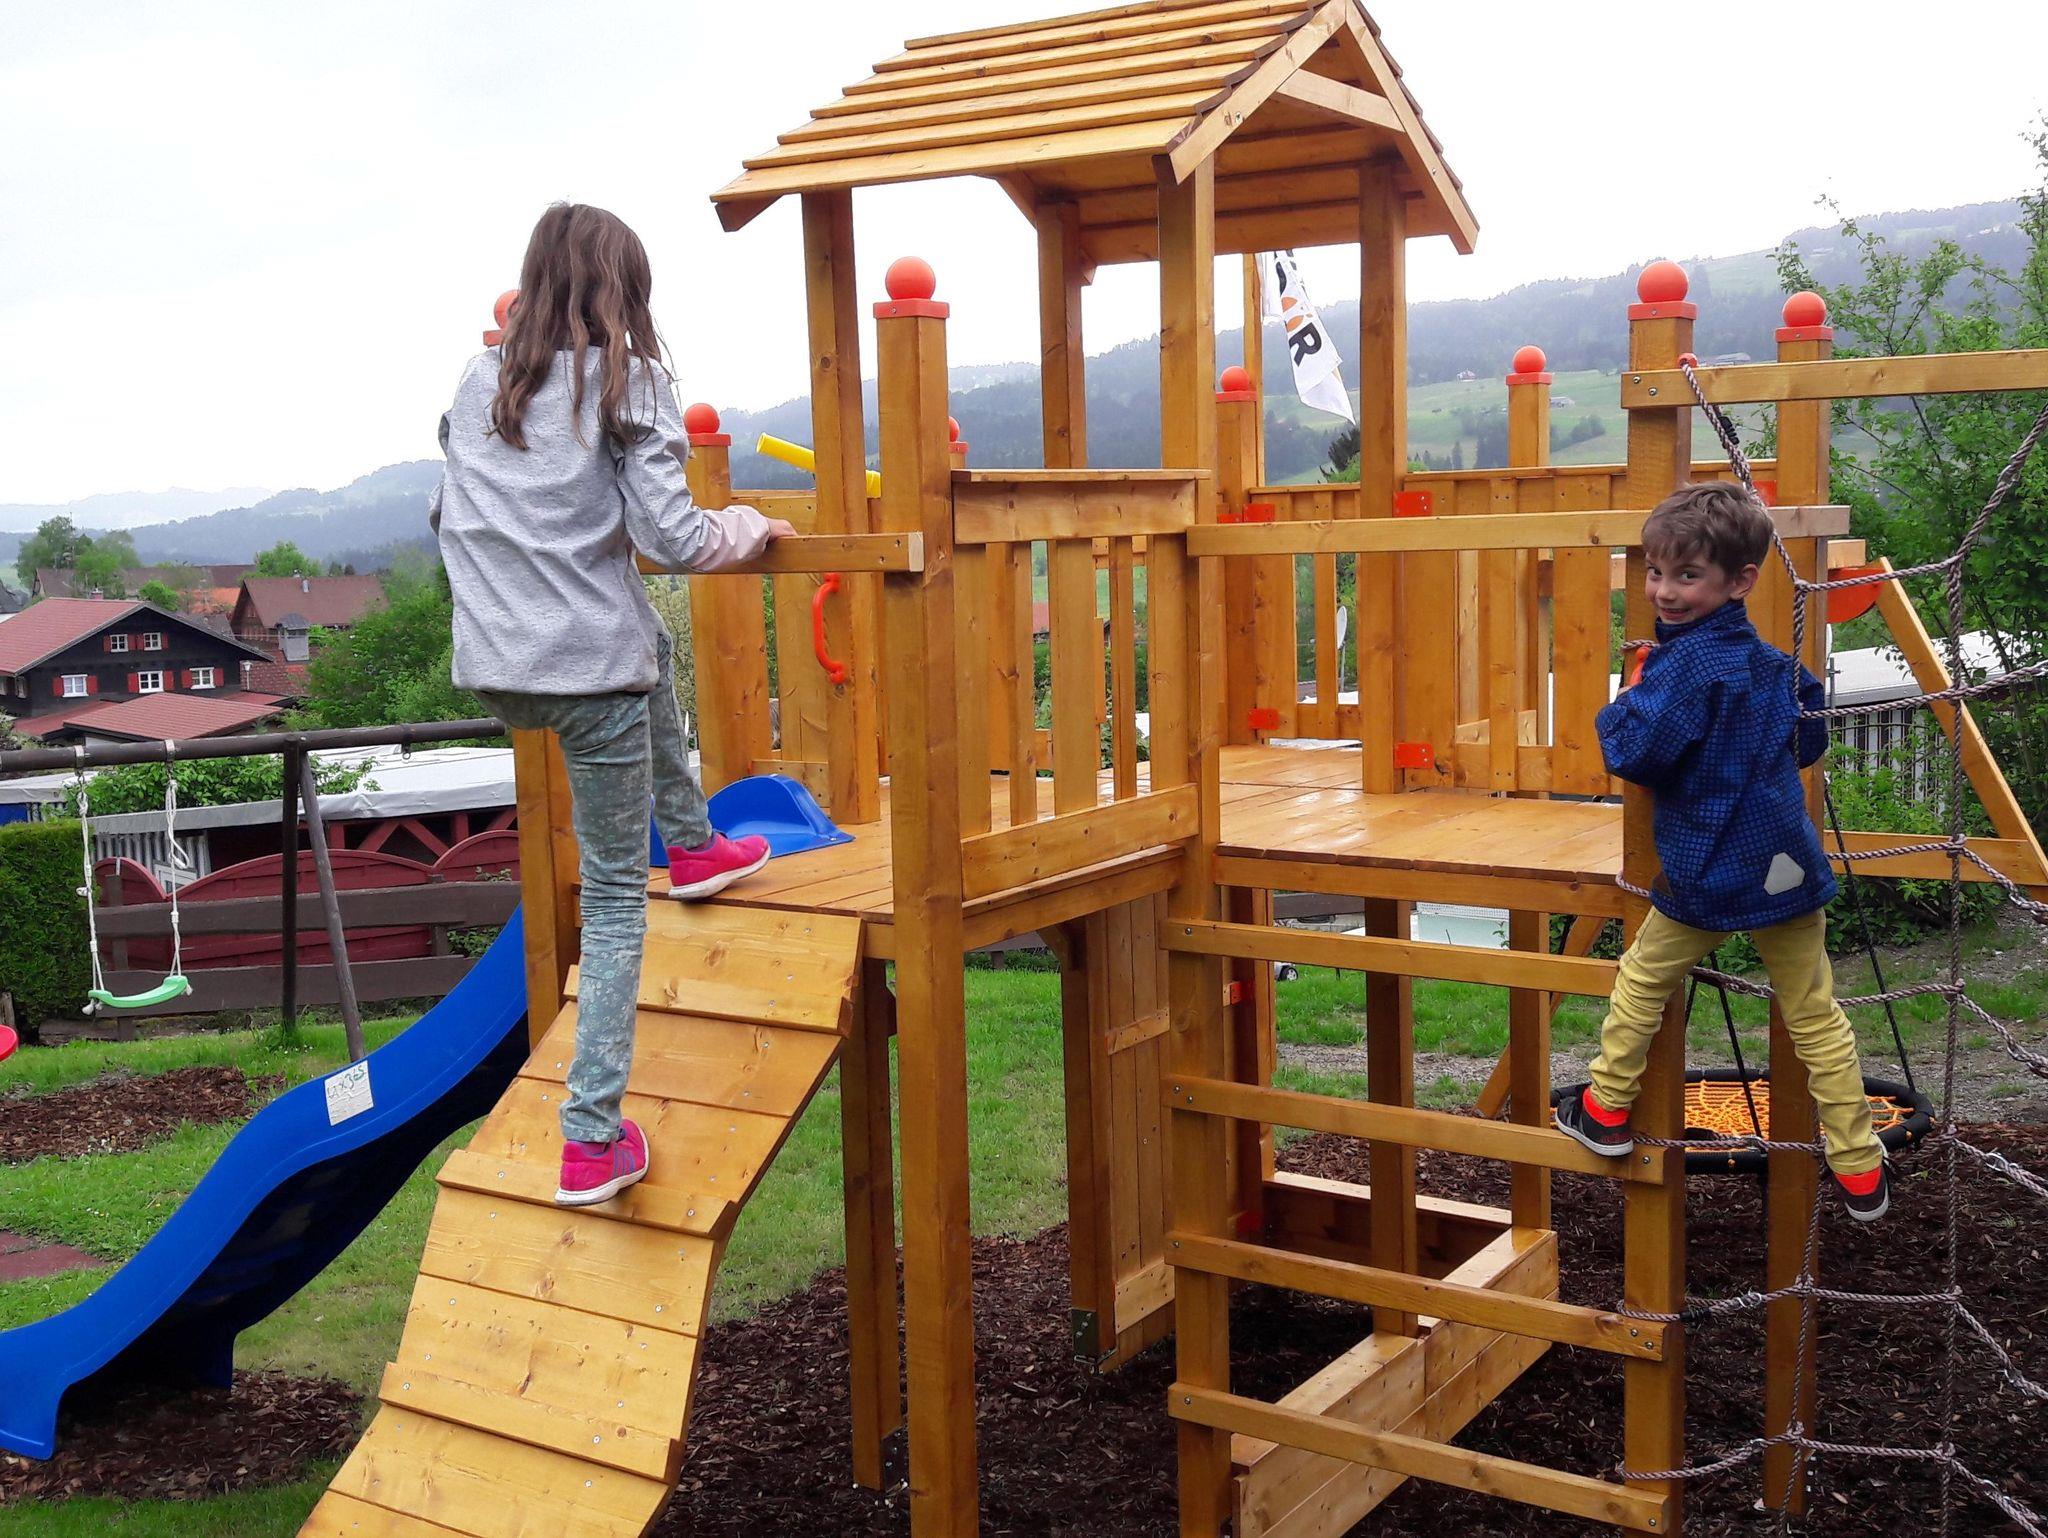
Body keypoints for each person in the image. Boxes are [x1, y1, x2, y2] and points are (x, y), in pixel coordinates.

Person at [431, 202, 793, 1208]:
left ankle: (695, 843)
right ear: (625, 291)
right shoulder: (629, 383)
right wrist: (751, 526)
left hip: (497, 664)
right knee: (614, 902)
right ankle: (591, 1136)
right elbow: (675, 538)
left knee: (647, 640)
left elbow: (456, 503)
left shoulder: (480, 382)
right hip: (588, 677)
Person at [1553, 482, 1889, 1220]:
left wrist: (1628, 692)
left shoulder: (1682, 670)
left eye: (1687, 575)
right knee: (1815, 1013)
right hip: (1786, 866)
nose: (1664, 592)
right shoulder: (1772, 664)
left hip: (1706, 871)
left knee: (1643, 979)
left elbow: (1636, 752)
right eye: (1655, 572)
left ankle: (1605, 1108)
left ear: (1740, 581)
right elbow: (1810, 734)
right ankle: (1860, 1163)